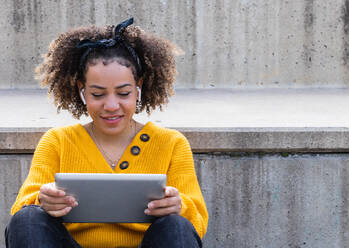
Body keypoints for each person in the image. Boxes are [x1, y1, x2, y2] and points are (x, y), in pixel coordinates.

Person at [5, 17, 208, 248]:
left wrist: (179, 206)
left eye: (123, 93)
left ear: (138, 88)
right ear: (82, 92)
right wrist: (42, 200)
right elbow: (22, 212)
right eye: (98, 94)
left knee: (177, 226)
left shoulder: (172, 143)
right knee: (28, 218)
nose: (111, 106)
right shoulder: (57, 141)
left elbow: (196, 224)